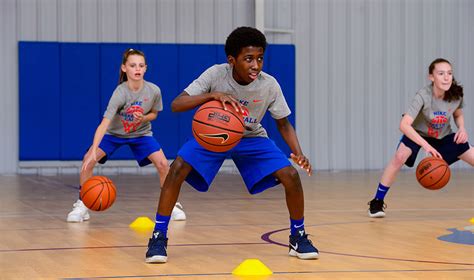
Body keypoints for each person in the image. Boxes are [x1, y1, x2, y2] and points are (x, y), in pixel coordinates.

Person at [145, 26, 318, 263]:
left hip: (250, 137)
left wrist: (298, 153)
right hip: (214, 134)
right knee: (177, 168)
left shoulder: (269, 85)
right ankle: (158, 236)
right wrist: (212, 95)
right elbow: (177, 104)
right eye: (248, 59)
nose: (255, 65)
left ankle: (297, 236)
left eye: (259, 58)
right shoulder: (216, 75)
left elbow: (284, 124)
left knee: (291, 175)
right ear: (232, 60)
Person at [66, 49, 186, 222]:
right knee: (87, 162)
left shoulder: (154, 91)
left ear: (145, 68)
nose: (137, 69)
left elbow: (154, 114)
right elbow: (104, 124)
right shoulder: (120, 93)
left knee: (163, 164)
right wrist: (93, 150)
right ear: (124, 68)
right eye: (132, 65)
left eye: (141, 65)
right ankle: (83, 204)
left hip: (141, 133)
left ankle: (171, 205)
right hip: (114, 134)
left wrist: (144, 117)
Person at [368, 58, 474, 218]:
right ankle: (377, 202)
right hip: (417, 133)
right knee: (399, 157)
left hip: (443, 136)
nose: (446, 77)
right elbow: (404, 125)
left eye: (449, 73)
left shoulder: (456, 94)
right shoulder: (423, 96)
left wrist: (462, 128)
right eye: (441, 73)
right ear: (431, 77)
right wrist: (426, 146)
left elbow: (458, 114)